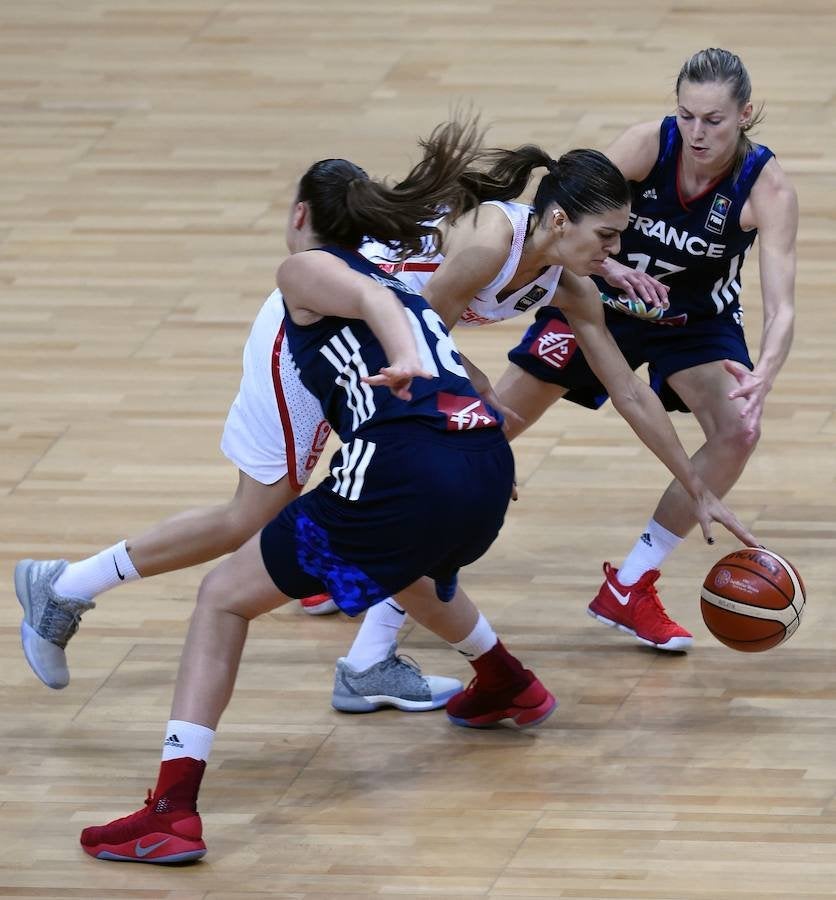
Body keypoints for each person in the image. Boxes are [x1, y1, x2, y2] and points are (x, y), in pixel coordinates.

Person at [77, 124, 560, 863]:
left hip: (406, 474)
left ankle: (171, 811)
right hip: (478, 465)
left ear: (301, 214)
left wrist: (398, 358)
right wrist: (476, 440)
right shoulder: (402, 282)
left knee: (222, 597)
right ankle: (506, 681)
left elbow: (370, 299)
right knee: (394, 562)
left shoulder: (308, 274)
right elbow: (446, 352)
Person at [322, 136, 761, 680]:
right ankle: (347, 599)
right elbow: (421, 338)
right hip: (337, 320)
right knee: (426, 484)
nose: (615, 251)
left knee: (438, 489)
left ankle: (352, 605)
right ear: (557, 221)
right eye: (606, 235)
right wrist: (482, 414)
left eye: (620, 236)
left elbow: (629, 393)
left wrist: (697, 487)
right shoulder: (489, 247)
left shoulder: (570, 287)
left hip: (391, 342)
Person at [496, 47, 797, 650]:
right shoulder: (645, 145)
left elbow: (783, 304)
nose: (697, 132)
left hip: (692, 317)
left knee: (739, 429)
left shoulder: (766, 186)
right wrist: (605, 273)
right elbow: (561, 218)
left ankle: (631, 584)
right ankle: (348, 544)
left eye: (713, 119)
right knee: (487, 427)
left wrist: (765, 369)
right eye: (686, 115)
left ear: (745, 113)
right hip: (601, 295)